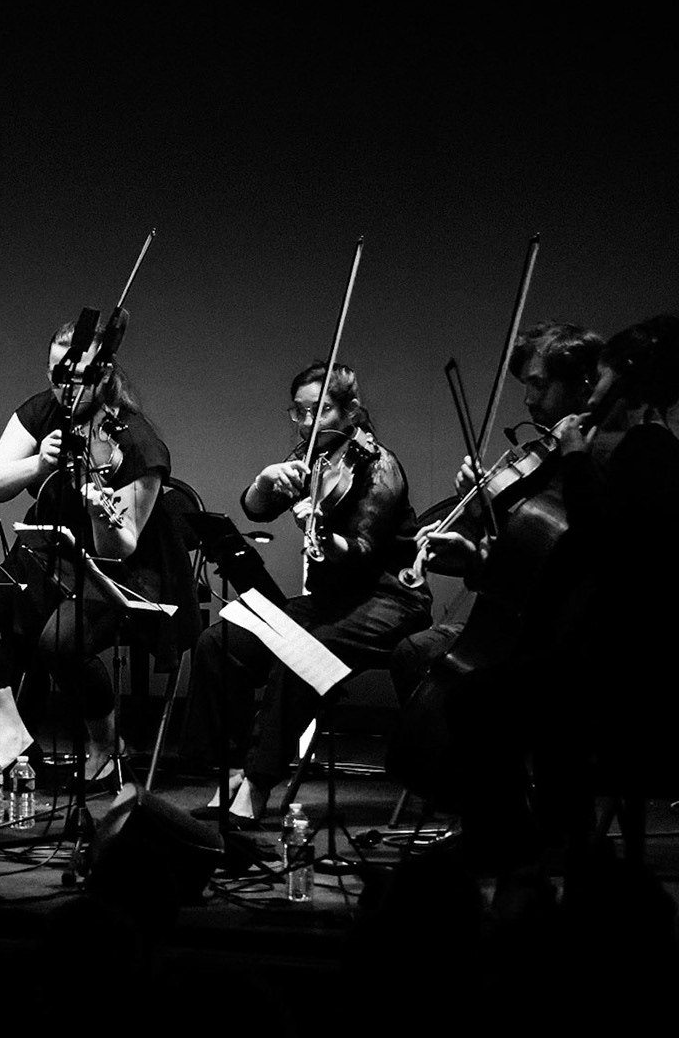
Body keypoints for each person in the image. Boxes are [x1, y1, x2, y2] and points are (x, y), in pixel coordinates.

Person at [443, 314, 679, 900]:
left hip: (631, 669)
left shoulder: (648, 453)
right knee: (508, 682)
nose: (593, 389)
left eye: (599, 376)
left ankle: (516, 849)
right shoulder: (637, 449)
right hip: (601, 651)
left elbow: (603, 545)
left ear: (625, 380)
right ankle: (544, 837)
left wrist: (574, 458)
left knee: (480, 694)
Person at [0, 322, 199, 784]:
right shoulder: (45, 411)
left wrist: (100, 513)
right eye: (56, 374)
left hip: (121, 575)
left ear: (103, 377)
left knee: (58, 642)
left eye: (77, 377)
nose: (64, 388)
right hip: (46, 560)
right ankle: (13, 736)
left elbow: (122, 546)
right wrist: (38, 463)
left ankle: (106, 742)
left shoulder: (137, 443)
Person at [184, 362, 432, 823]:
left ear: (352, 411)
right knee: (221, 641)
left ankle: (258, 785)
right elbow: (256, 510)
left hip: (388, 601)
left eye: (319, 412)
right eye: (298, 412)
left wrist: (318, 532)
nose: (307, 424)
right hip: (330, 603)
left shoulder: (381, 467)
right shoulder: (315, 459)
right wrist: (262, 482)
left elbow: (358, 550)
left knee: (300, 651)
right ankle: (232, 769)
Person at [388, 320, 604, 699]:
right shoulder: (552, 459)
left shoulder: (592, 462)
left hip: (562, 637)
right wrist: (475, 532)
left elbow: (556, 573)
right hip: (521, 621)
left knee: (422, 658)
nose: (528, 400)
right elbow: (513, 558)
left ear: (583, 383)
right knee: (413, 654)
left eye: (539, 384)